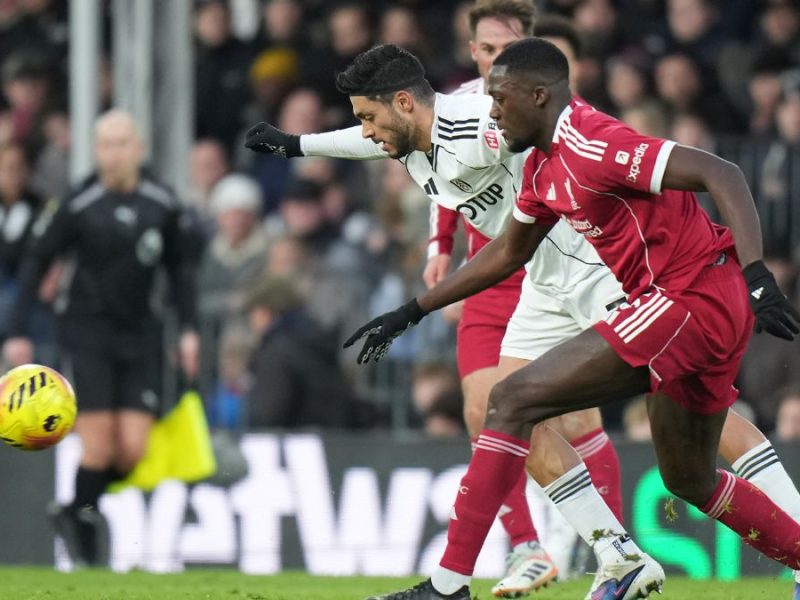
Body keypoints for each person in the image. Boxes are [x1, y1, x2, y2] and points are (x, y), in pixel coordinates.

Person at [344, 38, 800, 600]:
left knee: (511, 399)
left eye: (500, 100)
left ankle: (447, 585)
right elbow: (508, 251)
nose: (492, 113)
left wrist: (756, 272)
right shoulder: (538, 169)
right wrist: (413, 310)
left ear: (539, 96)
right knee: (689, 478)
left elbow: (720, 171)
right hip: (685, 308)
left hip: (690, 299)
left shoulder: (593, 142)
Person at [243, 5, 622, 594]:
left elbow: (568, 139)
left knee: (689, 419)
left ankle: (622, 552)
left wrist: (622, 187)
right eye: (486, 47)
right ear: (471, 49)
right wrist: (295, 145)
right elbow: (363, 142)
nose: (366, 133)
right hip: (524, 276)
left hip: (588, 269)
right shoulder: (410, 134)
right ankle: (495, 569)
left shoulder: (481, 119)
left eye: (370, 118)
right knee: (500, 412)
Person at [2, 109, 200, 567]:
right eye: (104, 145)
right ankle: (84, 516)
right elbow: (36, 263)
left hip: (140, 334)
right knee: (101, 445)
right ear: (96, 151)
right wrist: (17, 331)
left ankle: (76, 509)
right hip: (87, 330)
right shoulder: (77, 203)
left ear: (139, 149)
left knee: (133, 450)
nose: (111, 154)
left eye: (120, 143)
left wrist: (188, 329)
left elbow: (180, 271)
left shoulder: (162, 203)